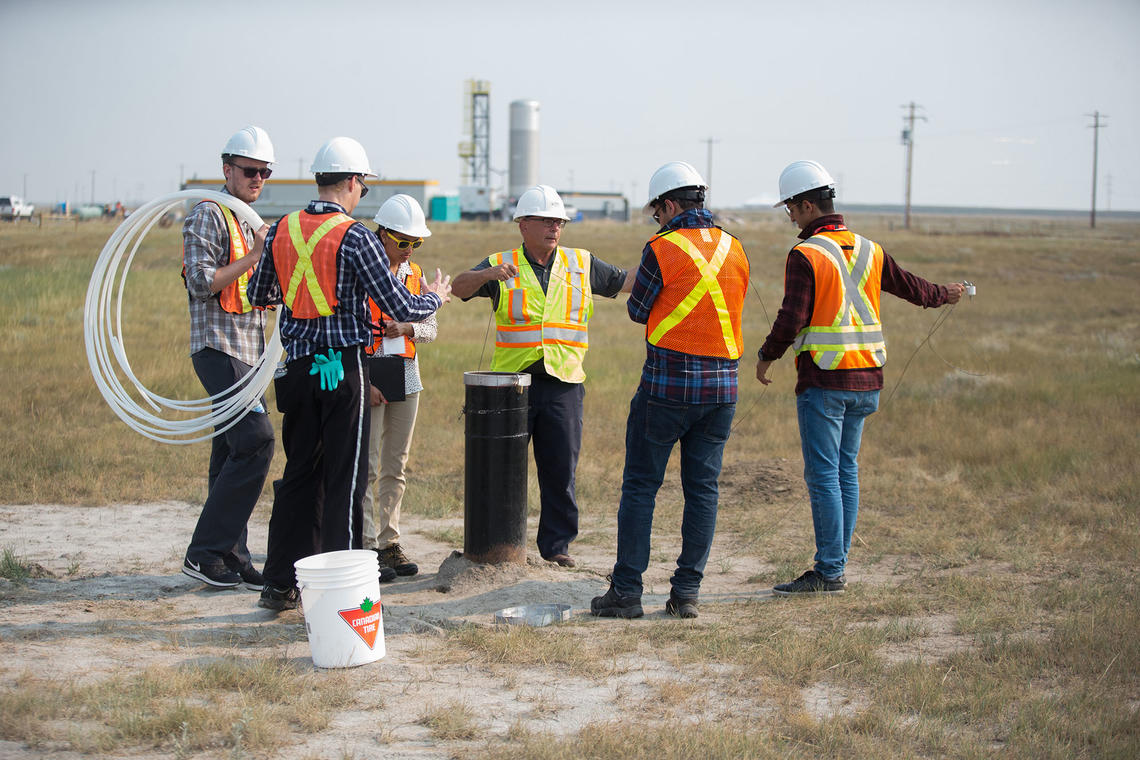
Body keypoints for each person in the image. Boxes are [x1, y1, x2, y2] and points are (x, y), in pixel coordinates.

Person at [246, 137, 451, 611]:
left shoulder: (280, 230)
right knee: (345, 479)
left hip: (297, 371)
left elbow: (260, 295)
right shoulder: (356, 236)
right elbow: (400, 304)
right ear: (355, 182)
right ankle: (337, 592)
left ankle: (278, 584)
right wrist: (435, 297)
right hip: (342, 371)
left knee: (298, 476)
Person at [755, 160, 965, 595]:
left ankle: (830, 571)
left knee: (824, 475)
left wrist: (766, 356)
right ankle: (837, 565)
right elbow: (915, 289)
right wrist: (947, 293)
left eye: (791, 208)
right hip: (868, 380)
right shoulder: (871, 249)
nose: (789, 216)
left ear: (809, 205)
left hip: (825, 382)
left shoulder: (806, 253)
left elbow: (791, 317)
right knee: (845, 471)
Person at [591, 162, 749, 620]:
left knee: (641, 487)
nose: (655, 220)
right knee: (703, 491)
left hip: (667, 388)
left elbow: (639, 310)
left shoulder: (662, 247)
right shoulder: (735, 247)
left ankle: (626, 593)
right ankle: (686, 594)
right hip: (722, 390)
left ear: (670, 205)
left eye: (656, 211)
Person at [451, 184, 633, 568]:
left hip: (563, 382)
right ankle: (498, 545)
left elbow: (626, 282)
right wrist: (489, 274)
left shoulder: (581, 263)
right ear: (523, 225)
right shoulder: (501, 262)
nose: (555, 227)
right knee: (500, 469)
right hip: (510, 386)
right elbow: (457, 286)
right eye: (546, 220)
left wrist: (667, 261)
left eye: (559, 221)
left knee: (560, 469)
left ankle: (556, 547)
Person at [180, 125, 276, 590]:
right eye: (250, 170)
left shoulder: (247, 222)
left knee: (232, 450)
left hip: (249, 355)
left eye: (265, 172)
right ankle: (203, 553)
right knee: (257, 440)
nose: (258, 179)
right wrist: (255, 255)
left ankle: (231, 557)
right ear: (227, 170)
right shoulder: (209, 215)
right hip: (218, 349)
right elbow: (200, 282)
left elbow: (252, 289)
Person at [362, 195, 437, 579]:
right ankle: (364, 546)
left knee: (396, 463)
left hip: (406, 373)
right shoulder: (363, 271)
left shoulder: (415, 273)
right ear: (382, 234)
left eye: (415, 243)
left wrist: (408, 328)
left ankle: (389, 542)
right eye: (403, 241)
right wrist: (368, 378)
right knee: (368, 464)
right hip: (370, 372)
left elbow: (431, 329)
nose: (409, 250)